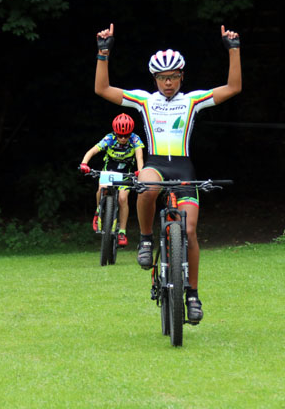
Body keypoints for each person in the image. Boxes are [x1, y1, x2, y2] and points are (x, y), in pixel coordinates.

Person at [93, 23, 241, 322]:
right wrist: (103, 53)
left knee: (189, 231)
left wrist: (234, 50)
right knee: (146, 186)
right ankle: (146, 239)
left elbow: (233, 88)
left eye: (173, 77)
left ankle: (193, 294)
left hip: (184, 167)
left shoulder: (192, 100)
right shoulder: (146, 100)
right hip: (156, 164)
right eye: (162, 78)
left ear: (181, 76)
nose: (168, 83)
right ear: (155, 79)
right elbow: (102, 89)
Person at [79, 113, 145, 246]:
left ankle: (122, 232)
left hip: (126, 173)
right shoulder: (109, 138)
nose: (122, 138)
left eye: (126, 135)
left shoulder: (135, 140)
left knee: (122, 198)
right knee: (101, 189)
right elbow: (92, 151)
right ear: (115, 132)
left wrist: (140, 172)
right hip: (109, 170)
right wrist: (84, 163)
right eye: (119, 135)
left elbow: (139, 158)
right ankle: (98, 211)